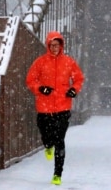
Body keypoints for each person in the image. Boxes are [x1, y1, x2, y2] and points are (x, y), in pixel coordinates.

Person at [25, 30, 85, 186]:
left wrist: (74, 90)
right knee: (46, 135)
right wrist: (40, 88)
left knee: (60, 140)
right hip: (44, 108)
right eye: (51, 45)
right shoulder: (40, 62)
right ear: (48, 45)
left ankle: (57, 174)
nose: (54, 48)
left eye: (57, 45)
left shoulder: (69, 62)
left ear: (61, 45)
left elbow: (78, 78)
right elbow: (31, 79)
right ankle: (47, 146)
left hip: (63, 107)